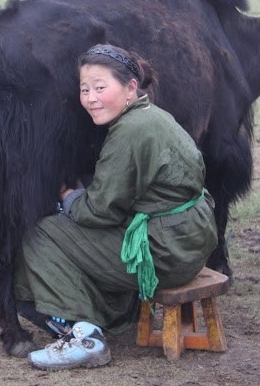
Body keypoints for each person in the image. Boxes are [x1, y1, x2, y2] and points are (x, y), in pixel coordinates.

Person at [13, 43, 218, 371]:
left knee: (43, 233)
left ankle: (85, 337)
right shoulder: (153, 116)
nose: (91, 98)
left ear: (130, 87)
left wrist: (69, 200)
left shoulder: (129, 132)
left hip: (166, 255)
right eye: (84, 89)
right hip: (191, 240)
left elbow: (99, 211)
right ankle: (108, 311)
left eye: (100, 87)